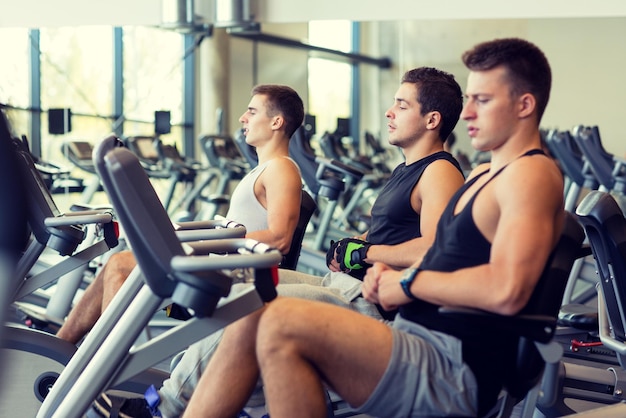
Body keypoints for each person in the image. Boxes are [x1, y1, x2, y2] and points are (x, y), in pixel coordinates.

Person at [182, 37, 565, 418]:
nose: (466, 114)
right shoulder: (487, 174)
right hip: (419, 335)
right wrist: (378, 262)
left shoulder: (529, 174)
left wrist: (405, 283)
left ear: (524, 105)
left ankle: (169, 406)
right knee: (258, 316)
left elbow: (508, 290)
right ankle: (173, 406)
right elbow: (444, 255)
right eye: (470, 100)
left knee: (273, 318)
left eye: (482, 100)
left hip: (450, 364)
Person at [91, 66, 466, 418]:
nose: (389, 112)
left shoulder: (440, 172)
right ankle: (208, 386)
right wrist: (353, 244)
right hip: (342, 284)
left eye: (402, 105)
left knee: (249, 306)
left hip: (370, 305)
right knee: (239, 291)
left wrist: (366, 252)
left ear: (432, 120)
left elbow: (434, 249)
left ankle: (166, 407)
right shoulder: (407, 170)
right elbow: (392, 233)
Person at [57, 84, 305, 344]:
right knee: (115, 263)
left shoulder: (281, 169)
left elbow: (280, 239)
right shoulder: (265, 168)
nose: (243, 118)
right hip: (224, 263)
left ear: (276, 122)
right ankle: (61, 348)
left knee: (120, 266)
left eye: (252, 112)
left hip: (234, 275)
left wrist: (205, 246)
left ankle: (99, 367)